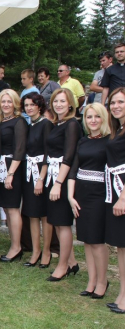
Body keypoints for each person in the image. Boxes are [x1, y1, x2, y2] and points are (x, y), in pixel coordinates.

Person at [68, 103, 110, 298]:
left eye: (96, 117)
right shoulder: (83, 141)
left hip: (99, 195)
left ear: (103, 118)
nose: (92, 120)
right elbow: (74, 169)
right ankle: (91, 280)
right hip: (80, 195)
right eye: (89, 117)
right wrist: (70, 196)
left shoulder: (110, 141)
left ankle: (102, 281)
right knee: (86, 239)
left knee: (97, 241)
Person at [45, 88, 82, 282]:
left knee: (63, 223)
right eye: (55, 101)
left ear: (70, 104)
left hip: (63, 177)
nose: (58, 104)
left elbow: (69, 156)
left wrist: (59, 183)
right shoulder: (57, 123)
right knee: (57, 223)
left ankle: (62, 266)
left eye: (62, 101)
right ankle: (71, 262)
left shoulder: (72, 125)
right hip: (53, 175)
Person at [20, 92, 54, 267]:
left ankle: (47, 251)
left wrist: (41, 178)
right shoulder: (29, 125)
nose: (29, 108)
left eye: (32, 104)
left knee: (44, 215)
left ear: (39, 106)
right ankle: (35, 251)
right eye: (26, 105)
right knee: (32, 214)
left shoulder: (46, 124)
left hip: (41, 173)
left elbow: (49, 153)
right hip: (28, 173)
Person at [0, 90, 27, 262]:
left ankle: (16, 247)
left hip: (12, 168)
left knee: (13, 208)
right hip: (1, 167)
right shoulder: (0, 123)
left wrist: (10, 173)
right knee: (6, 208)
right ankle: (14, 244)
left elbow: (20, 149)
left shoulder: (19, 122)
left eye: (9, 101)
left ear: (15, 103)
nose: (6, 104)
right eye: (3, 101)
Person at [104, 88, 125, 313]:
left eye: (121, 102)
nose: (116, 106)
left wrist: (123, 198)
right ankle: (122, 293)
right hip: (114, 189)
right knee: (121, 246)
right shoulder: (117, 129)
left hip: (122, 191)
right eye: (113, 103)